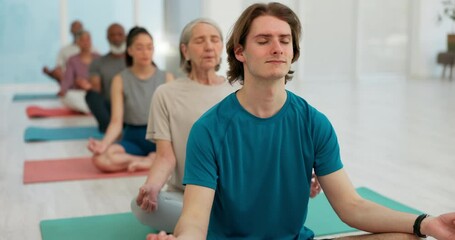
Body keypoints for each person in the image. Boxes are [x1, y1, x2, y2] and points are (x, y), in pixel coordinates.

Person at [147, 2, 455, 240]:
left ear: (293, 52)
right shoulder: (209, 129)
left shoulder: (313, 123)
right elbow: (195, 220)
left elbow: (351, 206)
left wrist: (425, 222)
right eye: (264, 40)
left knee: (406, 236)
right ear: (240, 51)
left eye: (284, 40)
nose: (277, 47)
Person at [131, 18, 237, 233]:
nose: (208, 46)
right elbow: (165, 156)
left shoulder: (239, 90)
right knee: (143, 205)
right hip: (185, 196)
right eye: (200, 40)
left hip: (234, 195)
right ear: (185, 50)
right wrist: (152, 186)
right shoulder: (166, 94)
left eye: (214, 40)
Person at [87, 27, 174, 173]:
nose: (145, 52)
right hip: (133, 139)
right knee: (99, 159)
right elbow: (116, 121)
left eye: (149, 47)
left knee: (180, 154)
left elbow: (173, 118)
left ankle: (154, 159)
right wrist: (104, 144)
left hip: (160, 139)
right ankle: (148, 161)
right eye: (139, 48)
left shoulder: (167, 77)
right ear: (130, 50)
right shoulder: (120, 79)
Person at [85, 23, 127, 132]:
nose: (116, 38)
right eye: (112, 35)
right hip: (110, 106)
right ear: (107, 38)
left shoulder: (135, 61)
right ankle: (110, 128)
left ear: (125, 37)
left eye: (119, 34)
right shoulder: (98, 63)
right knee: (91, 96)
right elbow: (96, 89)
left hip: (131, 105)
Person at [59, 30, 100, 113]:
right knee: (67, 96)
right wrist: (64, 89)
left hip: (96, 92)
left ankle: (93, 108)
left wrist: (91, 85)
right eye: (82, 40)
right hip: (80, 94)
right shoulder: (72, 60)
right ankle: (92, 109)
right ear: (78, 43)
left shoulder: (98, 58)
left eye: (87, 40)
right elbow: (68, 79)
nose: (85, 43)